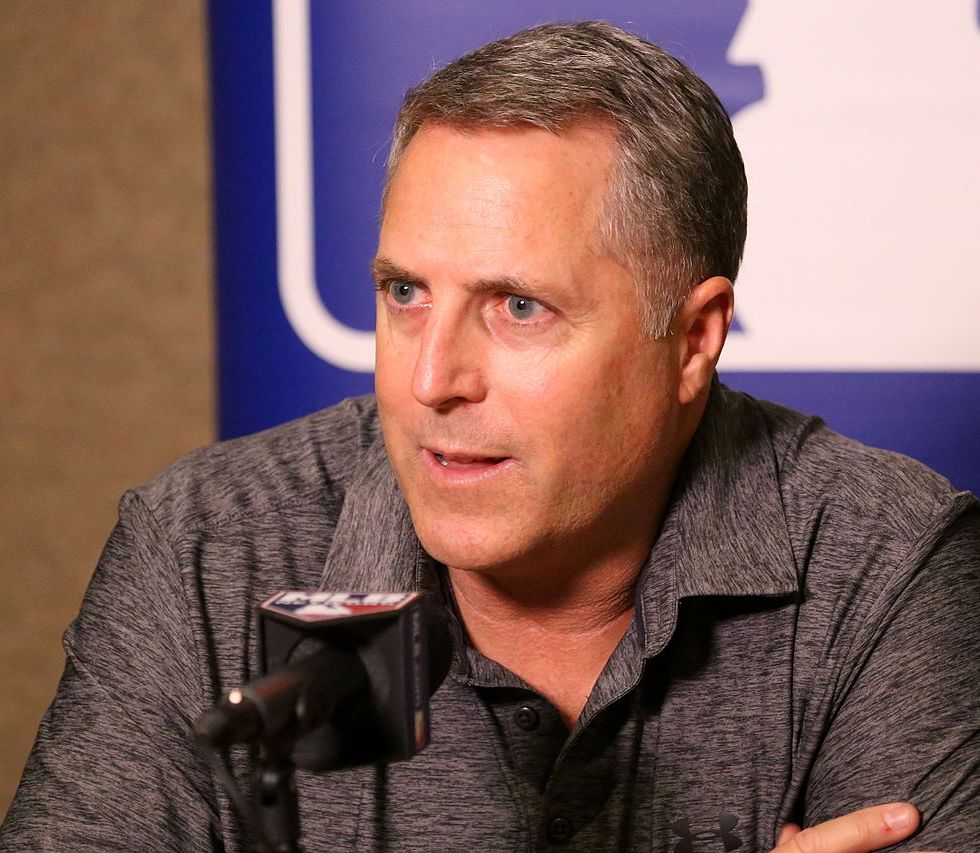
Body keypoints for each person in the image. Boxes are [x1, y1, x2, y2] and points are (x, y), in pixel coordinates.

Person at [2, 20, 977, 853]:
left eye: (517, 306)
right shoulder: (201, 549)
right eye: (404, 293)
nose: (430, 381)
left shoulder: (889, 561)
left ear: (691, 339)